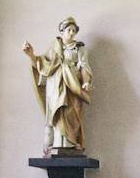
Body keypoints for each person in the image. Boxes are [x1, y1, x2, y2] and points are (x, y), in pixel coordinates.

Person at [24, 16, 93, 154]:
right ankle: (57, 143)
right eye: (69, 30)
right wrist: (31, 55)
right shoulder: (54, 49)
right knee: (58, 112)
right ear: (62, 32)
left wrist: (85, 82)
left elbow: (84, 67)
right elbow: (42, 65)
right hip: (56, 86)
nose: (72, 33)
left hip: (73, 85)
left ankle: (74, 142)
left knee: (73, 113)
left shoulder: (80, 49)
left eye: (74, 30)